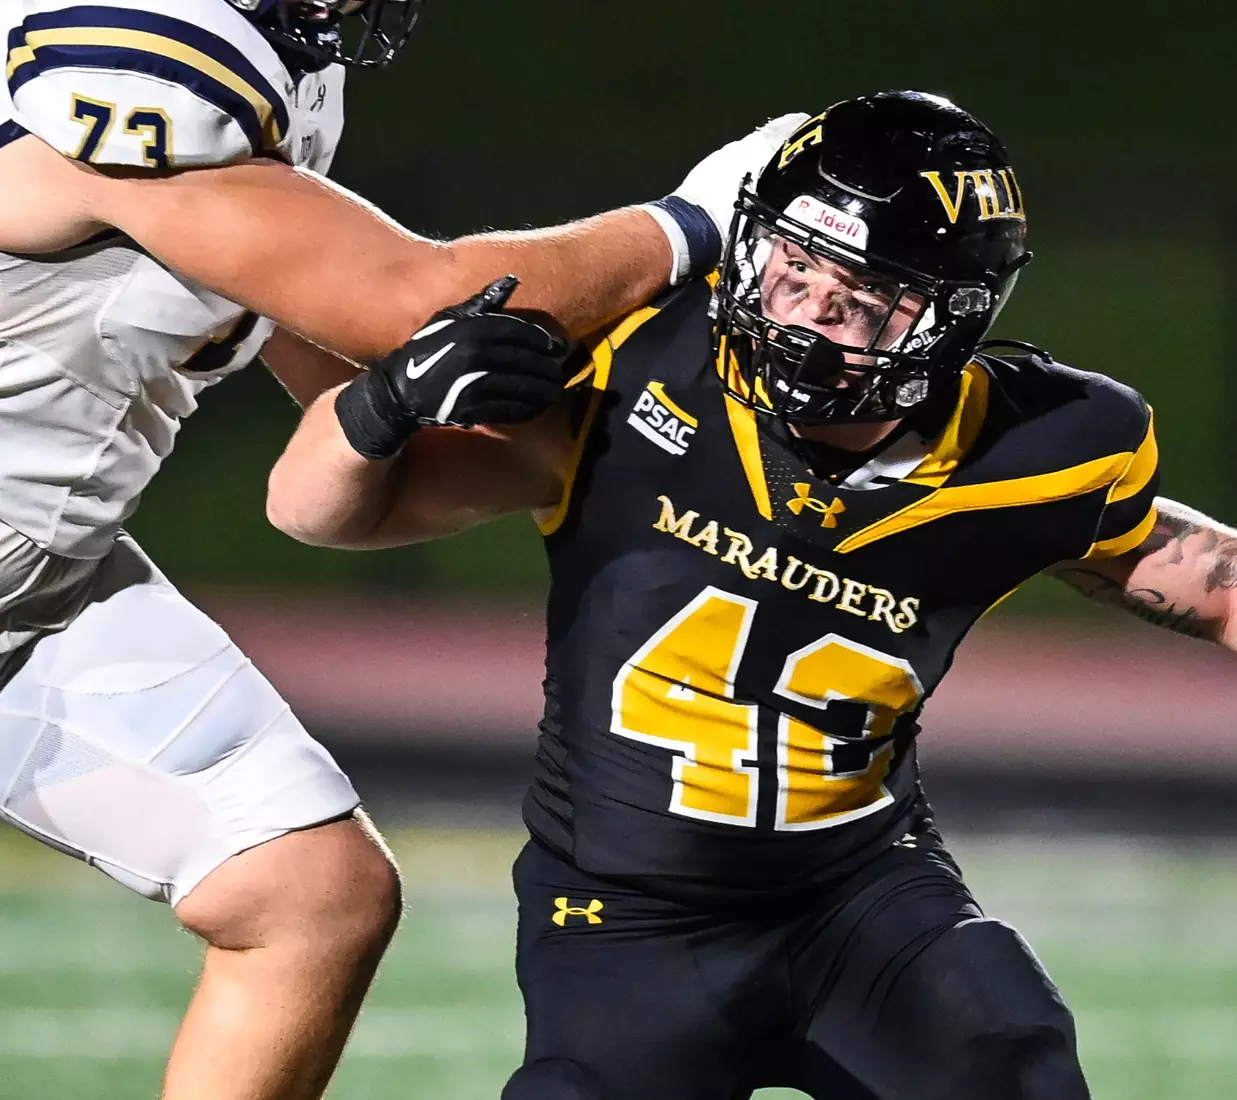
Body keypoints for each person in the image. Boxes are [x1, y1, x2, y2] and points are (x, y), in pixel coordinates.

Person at [265, 91, 1237, 1100]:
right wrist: (381, 404)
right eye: (793, 269)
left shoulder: (1035, 448)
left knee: (1013, 1056)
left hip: (856, 894)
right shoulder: (646, 366)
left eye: (862, 299)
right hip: (627, 912)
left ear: (950, 321)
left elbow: (1213, 576)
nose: (810, 313)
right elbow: (318, 510)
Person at [0, 0, 798, 1096]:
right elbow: (416, 300)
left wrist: (621, 447)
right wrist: (696, 223)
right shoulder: (138, 49)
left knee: (309, 895)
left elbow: (363, 379)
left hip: (46, 583)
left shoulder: (269, 78)